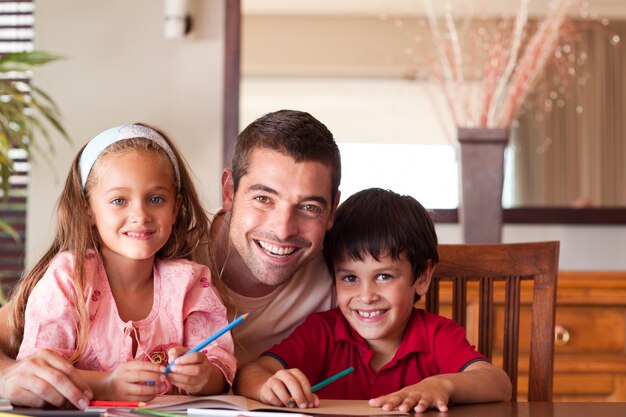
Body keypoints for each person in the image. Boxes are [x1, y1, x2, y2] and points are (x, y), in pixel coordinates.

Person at [0, 110, 340, 408]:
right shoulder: (123, 259)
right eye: (264, 198)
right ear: (229, 192)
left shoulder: (345, 281)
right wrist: (9, 378)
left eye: (309, 207)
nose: (282, 229)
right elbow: (23, 352)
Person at [4, 124, 236, 404]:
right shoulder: (69, 278)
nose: (140, 214)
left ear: (175, 208)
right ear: (88, 208)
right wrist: (106, 384)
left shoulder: (191, 282)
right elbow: (39, 376)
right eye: (119, 200)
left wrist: (204, 376)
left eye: (156, 199)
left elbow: (220, 371)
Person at [233, 188, 512, 413]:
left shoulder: (437, 334)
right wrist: (269, 386)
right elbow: (250, 372)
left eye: (384, 277)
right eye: (350, 278)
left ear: (423, 277)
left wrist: (442, 385)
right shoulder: (322, 332)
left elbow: (499, 384)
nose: (366, 296)